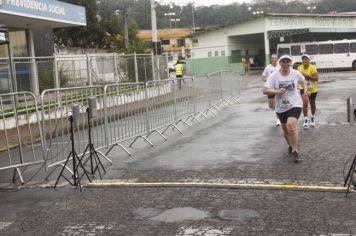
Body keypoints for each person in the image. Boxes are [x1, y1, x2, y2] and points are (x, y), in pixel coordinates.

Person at [263, 55, 309, 162]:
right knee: (285, 129)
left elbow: (303, 81)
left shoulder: (295, 73)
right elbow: (264, 90)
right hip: (281, 106)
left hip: (295, 103)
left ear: (291, 63)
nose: (285, 64)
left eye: (288, 62)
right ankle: (290, 145)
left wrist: (305, 90)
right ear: (280, 63)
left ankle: (295, 151)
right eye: (283, 62)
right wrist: (276, 92)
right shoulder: (274, 75)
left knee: (291, 126)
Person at [297, 54, 319, 128]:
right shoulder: (299, 68)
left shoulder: (313, 67)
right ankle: (306, 119)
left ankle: (312, 117)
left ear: (309, 60)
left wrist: (308, 76)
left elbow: (316, 78)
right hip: (303, 88)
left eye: (306, 59)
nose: (304, 60)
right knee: (305, 103)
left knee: (312, 103)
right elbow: (297, 78)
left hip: (312, 89)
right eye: (303, 59)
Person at [261, 53, 281, 126]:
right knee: (271, 106)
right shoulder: (268, 67)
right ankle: (275, 108)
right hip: (270, 89)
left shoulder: (280, 67)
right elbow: (262, 77)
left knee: (278, 103)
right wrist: (268, 80)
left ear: (277, 59)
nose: (274, 59)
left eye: (275, 58)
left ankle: (278, 119)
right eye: (273, 58)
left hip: (278, 87)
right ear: (271, 59)